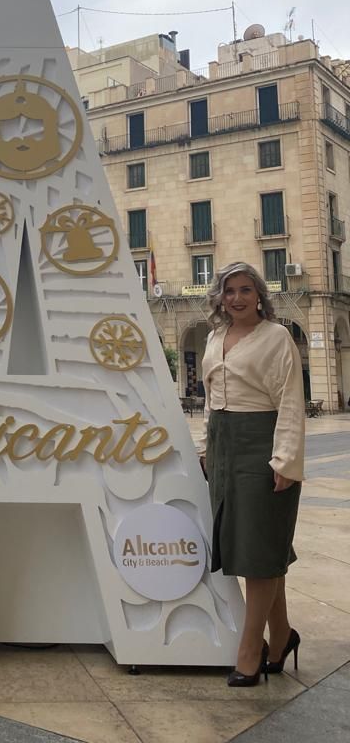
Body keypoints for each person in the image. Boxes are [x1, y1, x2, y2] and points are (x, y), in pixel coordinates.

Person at [200, 261, 304, 687]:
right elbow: (210, 397)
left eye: (245, 290)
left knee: (259, 551)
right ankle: (281, 636)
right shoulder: (213, 336)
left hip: (263, 445)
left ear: (260, 295)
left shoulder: (277, 338)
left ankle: (251, 649)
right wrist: (208, 449)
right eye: (229, 291)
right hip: (224, 445)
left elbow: (291, 400)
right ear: (220, 297)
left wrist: (285, 460)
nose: (237, 298)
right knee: (247, 546)